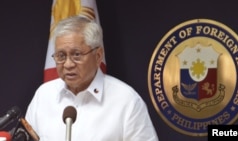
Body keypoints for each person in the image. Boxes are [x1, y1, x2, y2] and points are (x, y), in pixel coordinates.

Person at [25, 15, 159, 141]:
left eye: (76, 54)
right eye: (61, 56)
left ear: (98, 55)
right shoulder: (43, 96)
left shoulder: (126, 101)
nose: (68, 64)